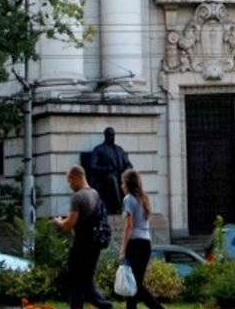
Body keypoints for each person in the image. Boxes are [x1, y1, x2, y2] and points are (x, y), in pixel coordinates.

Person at [54, 165, 113, 309]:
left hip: (81, 245)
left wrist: (58, 222)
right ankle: (103, 305)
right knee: (87, 282)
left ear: (76, 177)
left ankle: (104, 306)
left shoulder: (78, 197)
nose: (70, 185)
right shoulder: (95, 194)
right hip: (95, 244)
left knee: (76, 282)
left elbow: (69, 224)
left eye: (70, 181)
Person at [119, 169, 165, 309]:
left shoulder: (128, 199)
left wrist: (123, 249)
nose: (121, 186)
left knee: (134, 283)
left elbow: (129, 226)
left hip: (134, 243)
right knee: (134, 282)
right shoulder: (144, 198)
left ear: (128, 184)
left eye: (123, 183)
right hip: (146, 243)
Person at [86, 127, 132, 215]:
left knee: (130, 179)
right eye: (109, 135)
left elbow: (128, 164)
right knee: (112, 179)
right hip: (105, 177)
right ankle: (119, 207)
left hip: (120, 176)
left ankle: (131, 205)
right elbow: (92, 166)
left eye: (113, 135)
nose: (111, 137)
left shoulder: (119, 149)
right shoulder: (99, 149)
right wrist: (106, 169)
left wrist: (126, 171)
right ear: (105, 136)